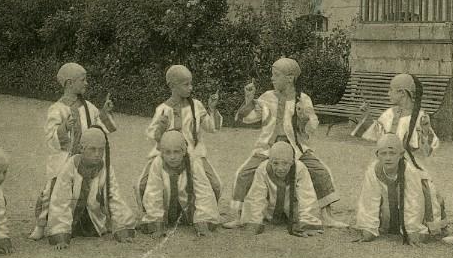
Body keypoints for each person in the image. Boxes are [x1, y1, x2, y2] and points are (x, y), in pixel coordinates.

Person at [225, 57, 347, 228]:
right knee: (245, 172)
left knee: (320, 171)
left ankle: (327, 215)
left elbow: (311, 128)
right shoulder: (267, 97)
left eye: (276, 75)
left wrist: (303, 118)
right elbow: (249, 119)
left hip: (295, 147)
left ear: (290, 78)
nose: (272, 78)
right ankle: (240, 216)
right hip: (268, 147)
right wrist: (249, 100)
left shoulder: (303, 99)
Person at [30, 62, 116, 240]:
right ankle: (41, 224)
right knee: (52, 189)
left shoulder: (89, 107)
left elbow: (99, 129)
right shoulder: (57, 109)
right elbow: (51, 136)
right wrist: (63, 128)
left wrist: (105, 113)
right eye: (82, 80)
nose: (86, 83)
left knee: (90, 188)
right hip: (65, 158)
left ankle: (91, 220)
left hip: (85, 159)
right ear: (69, 83)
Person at [43, 127, 136, 249]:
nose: (97, 154)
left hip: (93, 217)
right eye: (92, 149)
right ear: (82, 148)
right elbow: (61, 199)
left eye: (101, 150)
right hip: (71, 214)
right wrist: (60, 233)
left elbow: (114, 197)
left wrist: (122, 228)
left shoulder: (105, 168)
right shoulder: (70, 167)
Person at [351, 134, 446, 245]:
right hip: (392, 203)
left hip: (418, 201)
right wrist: (369, 228)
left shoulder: (409, 171)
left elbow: (414, 202)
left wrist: (413, 229)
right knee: (370, 232)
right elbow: (369, 200)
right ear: (377, 155)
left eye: (392, 153)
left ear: (401, 155)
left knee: (418, 234)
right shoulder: (373, 171)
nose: (388, 158)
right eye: (383, 153)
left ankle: (422, 226)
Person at [145, 65, 222, 200]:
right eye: (186, 84)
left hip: (194, 154)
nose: (190, 88)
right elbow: (152, 136)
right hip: (169, 155)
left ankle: (202, 210)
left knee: (216, 185)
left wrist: (211, 109)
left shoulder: (196, 106)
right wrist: (161, 129)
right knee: (142, 185)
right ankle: (154, 210)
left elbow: (211, 128)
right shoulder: (163, 109)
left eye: (191, 84)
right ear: (172, 86)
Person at [136, 130, 220, 236]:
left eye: (176, 152)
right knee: (142, 185)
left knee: (215, 184)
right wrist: (156, 221)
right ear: (162, 153)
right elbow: (153, 192)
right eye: (168, 152)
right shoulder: (158, 163)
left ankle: (198, 219)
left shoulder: (193, 162)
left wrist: (203, 219)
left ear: (184, 152)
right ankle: (161, 218)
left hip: (189, 203)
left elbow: (203, 191)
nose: (172, 157)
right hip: (167, 202)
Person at [239, 142, 323, 237]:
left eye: (285, 163)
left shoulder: (300, 168)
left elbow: (307, 196)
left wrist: (308, 223)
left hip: (294, 214)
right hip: (270, 214)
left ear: (292, 162)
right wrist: (253, 222)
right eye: (275, 163)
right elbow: (256, 196)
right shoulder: (263, 169)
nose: (280, 168)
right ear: (270, 161)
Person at [359, 73, 438, 159]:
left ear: (402, 93)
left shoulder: (421, 117)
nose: (388, 93)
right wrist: (366, 115)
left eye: (391, 90)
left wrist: (425, 132)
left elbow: (426, 152)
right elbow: (377, 134)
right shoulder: (389, 113)